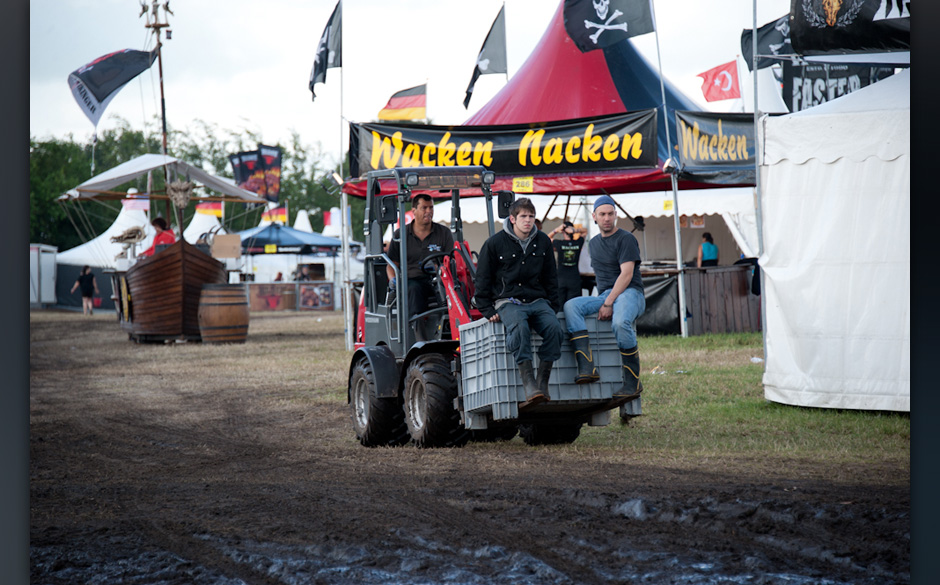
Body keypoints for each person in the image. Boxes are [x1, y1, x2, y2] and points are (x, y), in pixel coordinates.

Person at [474, 198, 564, 409]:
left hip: (538, 299)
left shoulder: (543, 241)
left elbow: (551, 276)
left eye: (531, 216)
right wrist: (487, 309)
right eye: (523, 216)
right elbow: (482, 279)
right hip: (508, 301)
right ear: (512, 218)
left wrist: (554, 306)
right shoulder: (494, 243)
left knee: (554, 329)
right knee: (520, 328)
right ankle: (529, 383)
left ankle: (543, 380)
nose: (528, 221)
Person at [563, 195, 645, 400]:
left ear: (616, 215)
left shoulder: (626, 238)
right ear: (595, 217)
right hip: (606, 294)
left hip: (630, 292)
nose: (606, 218)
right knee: (571, 305)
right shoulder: (594, 244)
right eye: (602, 214)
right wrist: (605, 299)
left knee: (620, 322)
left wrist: (608, 303)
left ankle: (632, 382)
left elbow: (626, 275)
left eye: (610, 214)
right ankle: (587, 367)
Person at [386, 193, 454, 319]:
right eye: (424, 208)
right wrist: (393, 280)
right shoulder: (401, 235)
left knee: (454, 289)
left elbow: (451, 260)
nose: (429, 211)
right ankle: (417, 331)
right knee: (414, 289)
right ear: (414, 211)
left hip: (438, 279)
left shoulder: (444, 233)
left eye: (431, 207)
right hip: (412, 281)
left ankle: (450, 326)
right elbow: (391, 265)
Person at [549, 220, 587, 305]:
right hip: (574, 279)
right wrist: (574, 230)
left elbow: (546, 238)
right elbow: (585, 231)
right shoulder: (578, 242)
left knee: (559, 307)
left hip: (561, 279)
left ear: (563, 232)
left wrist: (556, 230)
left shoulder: (559, 243)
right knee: (573, 306)